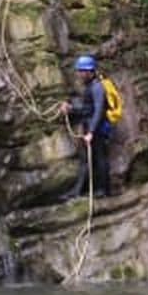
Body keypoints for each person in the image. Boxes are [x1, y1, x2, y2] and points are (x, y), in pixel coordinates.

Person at [59, 54, 112, 200]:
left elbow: (99, 110)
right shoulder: (89, 86)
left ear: (90, 71)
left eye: (82, 71)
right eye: (79, 71)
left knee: (100, 158)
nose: (79, 74)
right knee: (86, 160)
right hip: (89, 127)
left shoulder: (97, 87)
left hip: (98, 128)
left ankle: (104, 190)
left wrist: (92, 132)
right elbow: (86, 109)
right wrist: (70, 109)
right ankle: (77, 191)